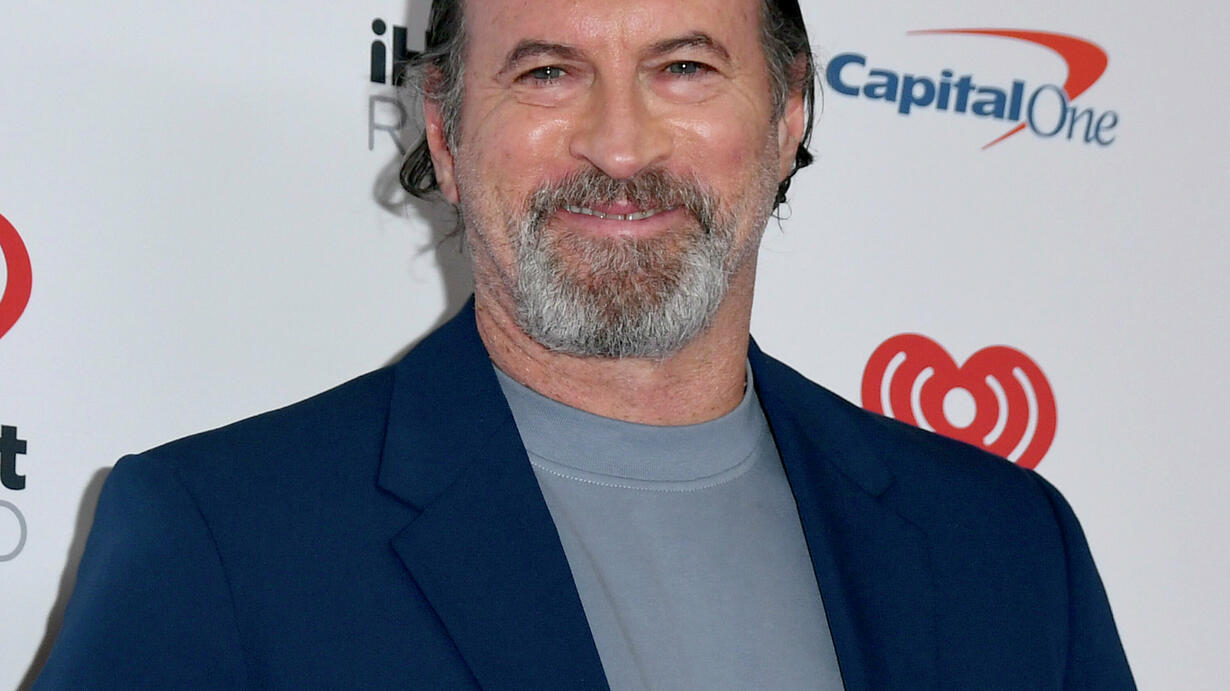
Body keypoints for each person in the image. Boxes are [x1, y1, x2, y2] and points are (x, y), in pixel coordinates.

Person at [36, 0, 1135, 688]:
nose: (619, 145)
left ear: (788, 113)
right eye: (548, 72)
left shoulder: (1008, 550)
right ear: (445, 132)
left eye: (685, 67)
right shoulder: (222, 542)